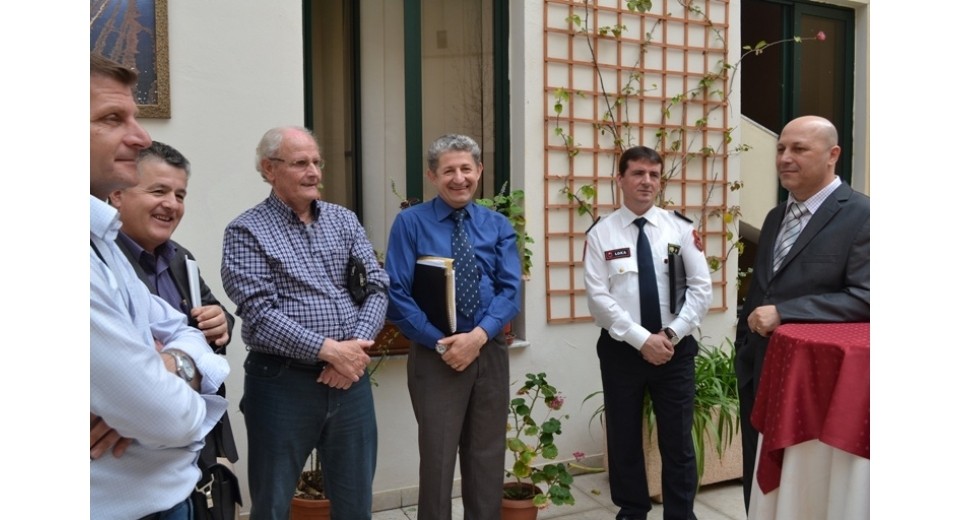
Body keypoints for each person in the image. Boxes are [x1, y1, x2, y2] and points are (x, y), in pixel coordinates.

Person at [221, 126, 388, 520]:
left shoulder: (344, 221)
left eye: (316, 162)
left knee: (355, 503)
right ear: (269, 169)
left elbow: (377, 287)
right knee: (273, 504)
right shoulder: (246, 231)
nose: (313, 172)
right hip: (283, 383)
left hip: (350, 382)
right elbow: (260, 315)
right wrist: (330, 351)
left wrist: (352, 352)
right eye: (300, 163)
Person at [90, 54, 230, 520]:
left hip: (172, 490)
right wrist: (151, 394)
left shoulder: (171, 256)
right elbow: (165, 417)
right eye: (113, 118)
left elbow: (200, 328)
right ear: (119, 197)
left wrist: (169, 361)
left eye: (180, 195)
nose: (140, 136)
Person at [735, 115, 869, 511]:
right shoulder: (776, 215)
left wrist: (785, 313)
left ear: (833, 155)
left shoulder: (863, 215)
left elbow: (868, 296)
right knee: (757, 474)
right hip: (758, 365)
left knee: (799, 487)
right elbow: (763, 288)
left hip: (812, 380)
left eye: (799, 149)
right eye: (780, 148)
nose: (784, 158)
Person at [385, 134, 521, 520]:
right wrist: (442, 343)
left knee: (487, 457)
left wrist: (477, 337)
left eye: (466, 169)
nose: (459, 178)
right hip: (436, 356)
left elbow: (510, 291)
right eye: (449, 170)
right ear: (432, 176)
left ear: (479, 171)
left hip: (488, 351)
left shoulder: (497, 225)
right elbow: (396, 292)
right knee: (438, 460)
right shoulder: (410, 223)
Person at [583, 146, 712, 520]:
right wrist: (642, 339)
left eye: (654, 175)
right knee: (623, 437)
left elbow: (701, 289)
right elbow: (599, 299)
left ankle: (681, 514)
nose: (647, 181)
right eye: (638, 173)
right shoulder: (601, 234)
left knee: (678, 441)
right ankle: (632, 511)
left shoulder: (681, 229)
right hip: (622, 350)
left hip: (675, 349)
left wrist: (670, 335)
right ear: (620, 179)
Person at [109, 141, 240, 468]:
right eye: (159, 191)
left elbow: (212, 313)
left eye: (180, 195)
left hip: (192, 438)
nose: (171, 204)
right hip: (131, 450)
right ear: (117, 194)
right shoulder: (101, 262)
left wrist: (221, 321)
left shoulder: (181, 257)